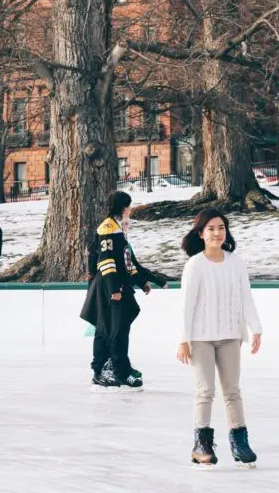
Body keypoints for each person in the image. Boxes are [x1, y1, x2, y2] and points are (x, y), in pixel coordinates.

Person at [177, 208, 262, 468]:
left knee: (232, 391)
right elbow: (186, 305)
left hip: (230, 335)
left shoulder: (236, 262)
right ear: (201, 233)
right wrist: (184, 339)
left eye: (221, 227)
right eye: (211, 229)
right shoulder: (195, 265)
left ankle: (240, 442)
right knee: (205, 391)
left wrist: (255, 328)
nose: (217, 233)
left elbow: (245, 297)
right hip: (201, 338)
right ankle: (201, 444)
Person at [81, 191, 166, 391]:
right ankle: (107, 370)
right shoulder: (108, 228)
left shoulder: (118, 229)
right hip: (109, 287)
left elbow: (128, 263)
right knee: (111, 329)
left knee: (117, 327)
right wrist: (114, 289)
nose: (130, 210)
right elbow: (107, 261)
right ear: (122, 207)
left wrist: (145, 281)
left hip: (116, 285)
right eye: (128, 206)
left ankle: (117, 366)